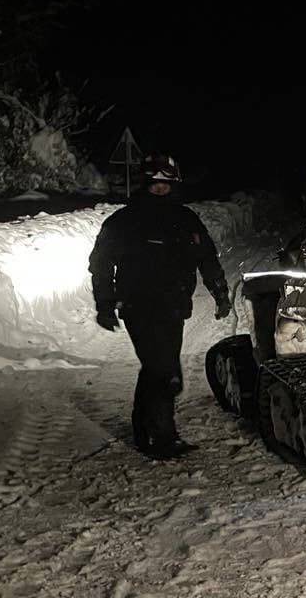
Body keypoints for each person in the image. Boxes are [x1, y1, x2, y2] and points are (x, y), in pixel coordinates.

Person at [89, 154, 231, 459]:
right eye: (154, 184)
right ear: (144, 184)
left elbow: (206, 258)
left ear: (174, 185)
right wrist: (105, 303)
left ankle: (145, 432)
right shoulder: (123, 221)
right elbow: (100, 264)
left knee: (157, 368)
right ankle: (162, 437)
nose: (159, 189)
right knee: (164, 370)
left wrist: (220, 293)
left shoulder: (186, 219)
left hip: (174, 306)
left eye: (165, 184)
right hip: (138, 306)